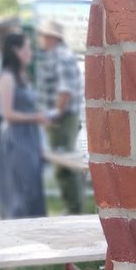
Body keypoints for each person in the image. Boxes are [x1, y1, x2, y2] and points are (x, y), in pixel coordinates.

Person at [0, 31, 48, 219]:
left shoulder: (23, 76)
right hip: (16, 140)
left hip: (30, 138)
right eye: (27, 48)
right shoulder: (7, 78)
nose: (30, 52)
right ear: (16, 51)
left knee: (33, 186)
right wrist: (35, 117)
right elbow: (7, 114)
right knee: (20, 189)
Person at [36, 18, 84, 213]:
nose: (41, 39)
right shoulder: (56, 55)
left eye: (43, 35)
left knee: (66, 165)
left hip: (62, 119)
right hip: (61, 117)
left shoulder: (61, 57)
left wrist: (56, 115)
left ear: (51, 37)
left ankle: (73, 208)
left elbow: (65, 91)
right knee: (63, 164)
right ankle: (71, 206)